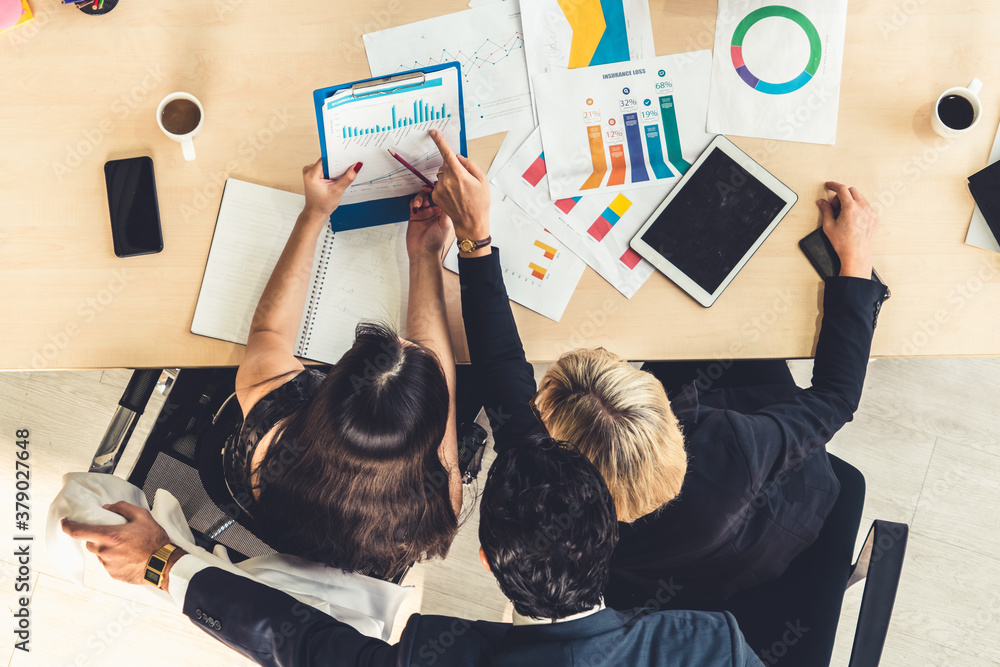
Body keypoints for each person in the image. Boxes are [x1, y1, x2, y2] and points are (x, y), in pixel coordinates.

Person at [426, 129, 889, 608]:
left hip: (655, 564)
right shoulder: (734, 450)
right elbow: (835, 397)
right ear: (670, 419)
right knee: (727, 322)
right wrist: (855, 260)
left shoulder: (544, 489)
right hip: (758, 535)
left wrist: (475, 239)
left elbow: (502, 368)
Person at [62, 435, 764, 667]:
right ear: (612, 531)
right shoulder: (713, 642)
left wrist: (163, 561)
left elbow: (300, 641)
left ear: (485, 561)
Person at [218, 159, 463, 580]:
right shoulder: (440, 500)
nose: (410, 341)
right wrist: (426, 254)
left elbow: (269, 330)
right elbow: (443, 383)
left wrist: (314, 212)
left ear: (325, 388)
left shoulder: (272, 428)